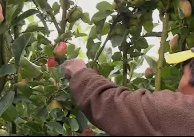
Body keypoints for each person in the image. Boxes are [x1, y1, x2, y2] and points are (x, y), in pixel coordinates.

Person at [62, 54, 194, 136]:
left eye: (184, 74)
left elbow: (115, 105)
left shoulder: (185, 111)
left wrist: (81, 73)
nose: (178, 84)